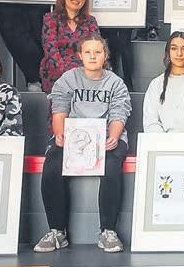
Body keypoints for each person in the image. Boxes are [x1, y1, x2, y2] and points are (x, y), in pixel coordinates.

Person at [34, 34, 131, 253]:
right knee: (52, 161)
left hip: (105, 137)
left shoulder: (116, 83)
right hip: (73, 136)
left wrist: (113, 136)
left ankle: (108, 231)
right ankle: (57, 231)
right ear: (80, 55)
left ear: (105, 55)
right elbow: (59, 109)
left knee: (112, 165)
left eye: (98, 52)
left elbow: (119, 114)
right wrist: (60, 134)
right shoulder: (68, 79)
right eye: (88, 52)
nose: (93, 56)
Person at [40, 0, 99, 94]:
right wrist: (69, 75)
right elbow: (51, 50)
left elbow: (96, 48)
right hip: (57, 72)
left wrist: (86, 73)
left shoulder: (90, 21)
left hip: (85, 72)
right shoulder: (51, 18)